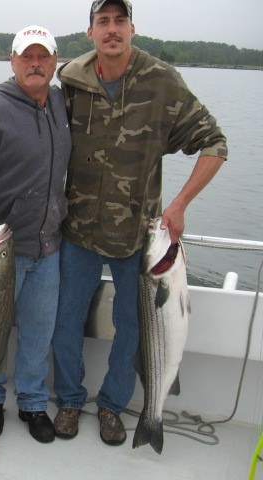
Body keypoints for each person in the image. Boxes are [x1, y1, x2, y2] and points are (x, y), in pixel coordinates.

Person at [51, 0, 227, 446]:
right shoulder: (69, 80)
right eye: (103, 21)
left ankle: (111, 407)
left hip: (138, 236)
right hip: (78, 231)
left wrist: (181, 204)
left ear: (132, 28)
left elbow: (214, 143)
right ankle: (70, 400)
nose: (112, 29)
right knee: (65, 320)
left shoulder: (163, 82)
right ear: (90, 31)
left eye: (120, 21)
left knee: (132, 326)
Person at [0, 25, 71, 443]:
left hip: (49, 246)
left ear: (55, 62)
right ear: (13, 60)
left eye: (43, 56)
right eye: (27, 56)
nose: (35, 64)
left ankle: (34, 404)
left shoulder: (61, 101)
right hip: (1, 253)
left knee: (39, 333)